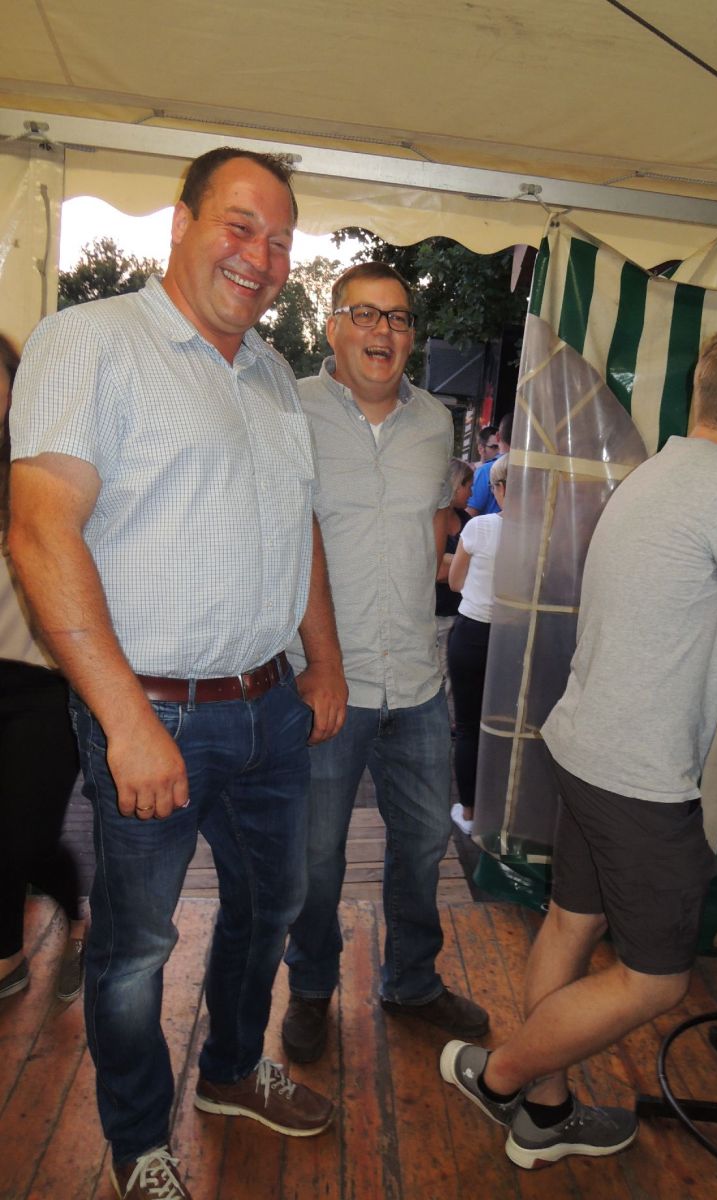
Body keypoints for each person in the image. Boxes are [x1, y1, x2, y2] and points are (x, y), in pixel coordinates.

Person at [8, 148, 347, 1200]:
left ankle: (234, 1071)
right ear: (181, 224)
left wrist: (325, 661)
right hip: (151, 713)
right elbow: (39, 531)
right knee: (137, 947)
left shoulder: (272, 373)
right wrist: (126, 721)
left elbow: (298, 527)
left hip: (269, 707)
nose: (261, 256)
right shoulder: (92, 340)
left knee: (272, 904)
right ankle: (135, 1138)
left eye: (280, 241)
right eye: (240, 226)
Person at [440, 323, 717, 1170]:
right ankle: (499, 1078)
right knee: (658, 978)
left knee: (571, 924)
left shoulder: (659, 471)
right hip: (639, 772)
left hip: (585, 742)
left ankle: (544, 1114)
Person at [281, 262, 489, 1067]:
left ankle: (411, 981)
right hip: (324, 681)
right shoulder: (289, 407)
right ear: (332, 326)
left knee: (425, 843)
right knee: (315, 856)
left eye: (399, 318)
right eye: (365, 314)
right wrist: (312, 661)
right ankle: (310, 987)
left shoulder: (436, 420)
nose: (383, 331)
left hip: (418, 681)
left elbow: (434, 523)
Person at [0, 333, 85, 1004]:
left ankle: (16, 952)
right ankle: (59, 910)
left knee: (18, 832)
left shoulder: (48, 466)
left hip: (43, 682)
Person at [447, 452, 507, 835]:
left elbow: (455, 582)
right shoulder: (548, 533)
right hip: (516, 639)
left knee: (468, 726)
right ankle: (501, 811)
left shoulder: (480, 527)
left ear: (499, 489)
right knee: (506, 727)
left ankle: (469, 813)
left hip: (471, 634)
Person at [435, 457, 473, 708]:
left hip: (458, 614)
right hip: (433, 614)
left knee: (452, 678)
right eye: (468, 486)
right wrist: (462, 562)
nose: (472, 493)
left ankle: (448, 724)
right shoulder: (431, 518)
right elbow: (433, 571)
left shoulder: (468, 521)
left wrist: (447, 560)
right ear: (455, 485)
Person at [467, 411, 512, 517]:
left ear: (498, 436)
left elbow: (470, 514)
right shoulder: (536, 471)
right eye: (492, 447)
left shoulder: (485, 471)